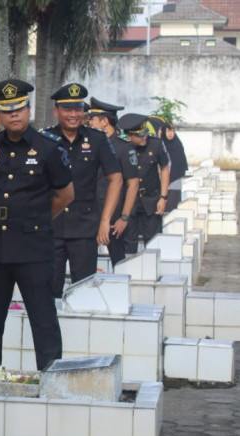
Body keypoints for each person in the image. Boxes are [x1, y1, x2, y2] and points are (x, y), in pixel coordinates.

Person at [0, 79, 74, 371]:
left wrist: (37, 216)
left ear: (28, 110)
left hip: (34, 247)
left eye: (19, 108)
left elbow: (66, 195)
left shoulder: (49, 148)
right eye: (6, 111)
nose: (13, 115)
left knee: (43, 320)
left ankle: (50, 377)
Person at [45, 83, 122, 298]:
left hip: (85, 229)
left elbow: (116, 179)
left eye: (78, 109)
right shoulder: (44, 140)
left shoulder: (97, 140)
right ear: (56, 111)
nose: (73, 114)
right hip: (50, 228)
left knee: (84, 293)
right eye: (67, 109)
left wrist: (105, 220)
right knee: (48, 292)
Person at [88, 97, 140, 267]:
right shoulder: (90, 144)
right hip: (90, 212)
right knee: (86, 261)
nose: (89, 123)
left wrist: (124, 217)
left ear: (104, 121)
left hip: (114, 215)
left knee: (119, 261)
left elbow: (133, 184)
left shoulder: (124, 148)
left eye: (93, 119)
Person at [118, 113, 171, 254]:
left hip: (151, 200)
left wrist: (163, 197)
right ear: (129, 136)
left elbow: (164, 168)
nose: (144, 137)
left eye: (145, 133)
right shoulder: (121, 147)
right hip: (129, 203)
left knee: (153, 242)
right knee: (128, 243)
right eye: (140, 135)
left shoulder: (156, 144)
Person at [148, 115, 188, 211]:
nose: (170, 134)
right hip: (161, 185)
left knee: (172, 211)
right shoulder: (160, 145)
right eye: (167, 131)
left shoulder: (177, 145)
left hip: (174, 184)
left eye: (172, 131)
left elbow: (180, 164)